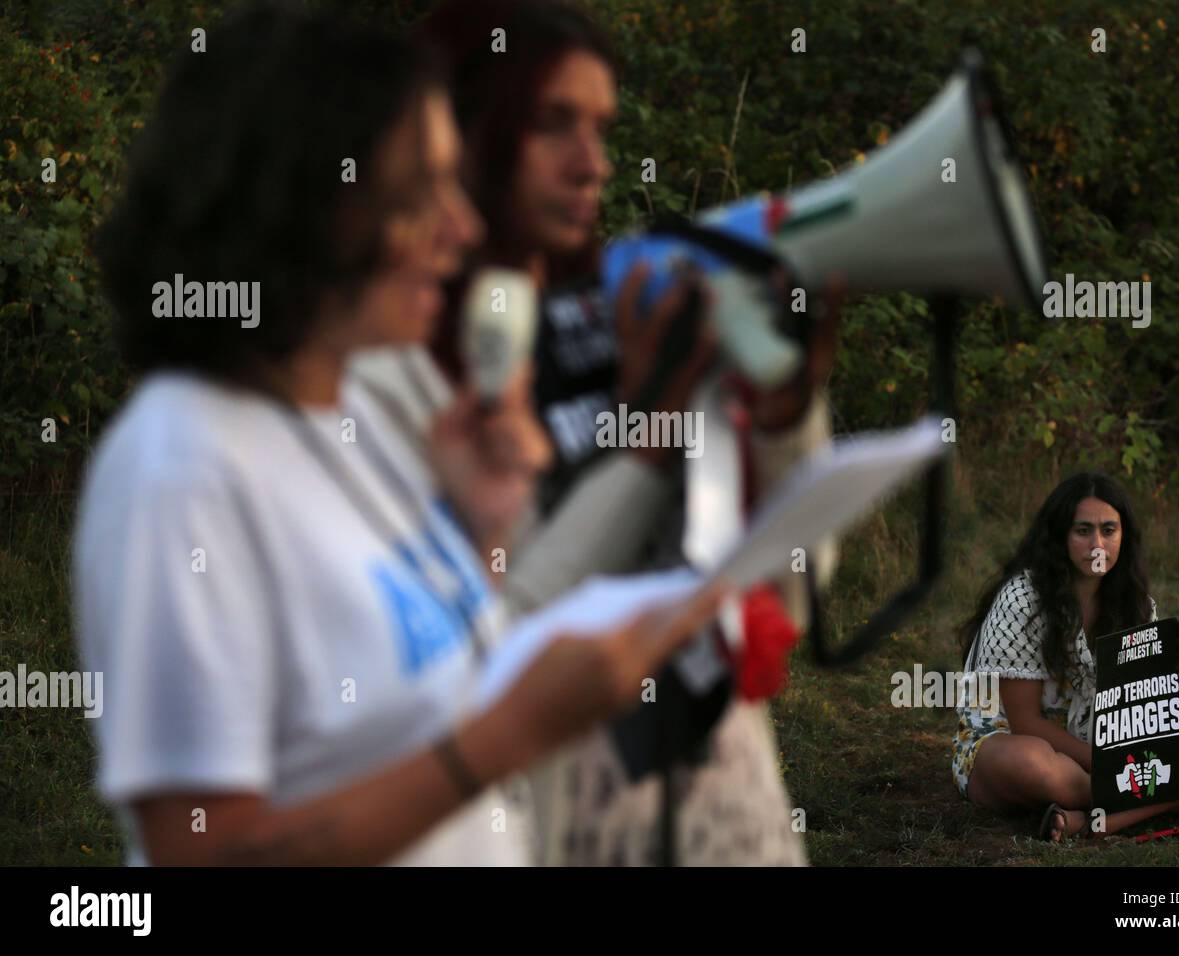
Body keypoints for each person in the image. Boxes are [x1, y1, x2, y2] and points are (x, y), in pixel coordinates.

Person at [75, 2, 720, 867]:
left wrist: (486, 530)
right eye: (419, 194)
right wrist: (507, 737)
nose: (461, 228)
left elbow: (424, 681)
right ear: (303, 201)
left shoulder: (343, 417)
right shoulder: (182, 470)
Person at [409, 0, 842, 865]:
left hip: (732, 819)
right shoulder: (412, 368)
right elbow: (499, 644)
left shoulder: (638, 311)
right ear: (464, 129)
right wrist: (646, 432)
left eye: (602, 128)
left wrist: (788, 414)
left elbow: (795, 591)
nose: (591, 164)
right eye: (552, 124)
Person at [952, 471, 1179, 840]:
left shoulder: (1134, 605)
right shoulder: (1023, 599)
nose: (1097, 544)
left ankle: (1091, 822)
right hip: (1015, 743)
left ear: (1124, 536)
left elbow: (1136, 712)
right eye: (1083, 530)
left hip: (1101, 746)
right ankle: (1165, 797)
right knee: (1034, 765)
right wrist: (1119, 767)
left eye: (1109, 530)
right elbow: (1025, 722)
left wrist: (1174, 667)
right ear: (1061, 535)